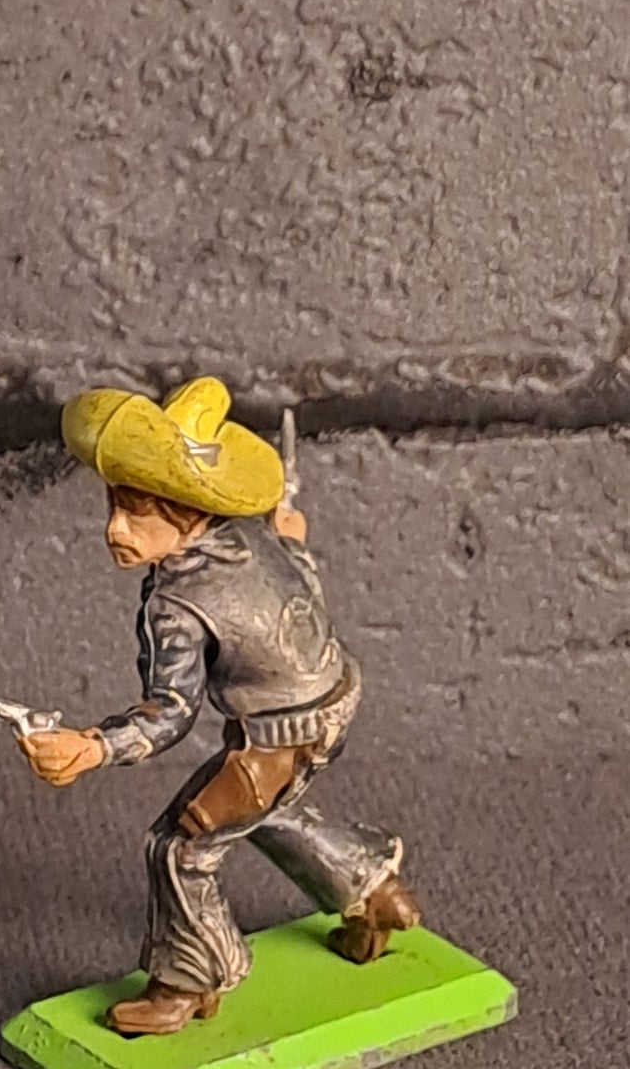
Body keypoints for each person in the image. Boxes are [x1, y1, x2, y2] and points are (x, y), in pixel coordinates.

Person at [21, 378, 418, 1035]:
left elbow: (171, 714)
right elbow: (303, 579)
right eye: (115, 507)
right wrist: (292, 539)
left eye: (138, 515)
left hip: (280, 735)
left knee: (179, 846)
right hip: (336, 696)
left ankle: (187, 981)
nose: (115, 529)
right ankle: (371, 887)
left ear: (186, 510)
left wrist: (93, 746)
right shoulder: (252, 538)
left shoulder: (174, 605)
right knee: (263, 810)